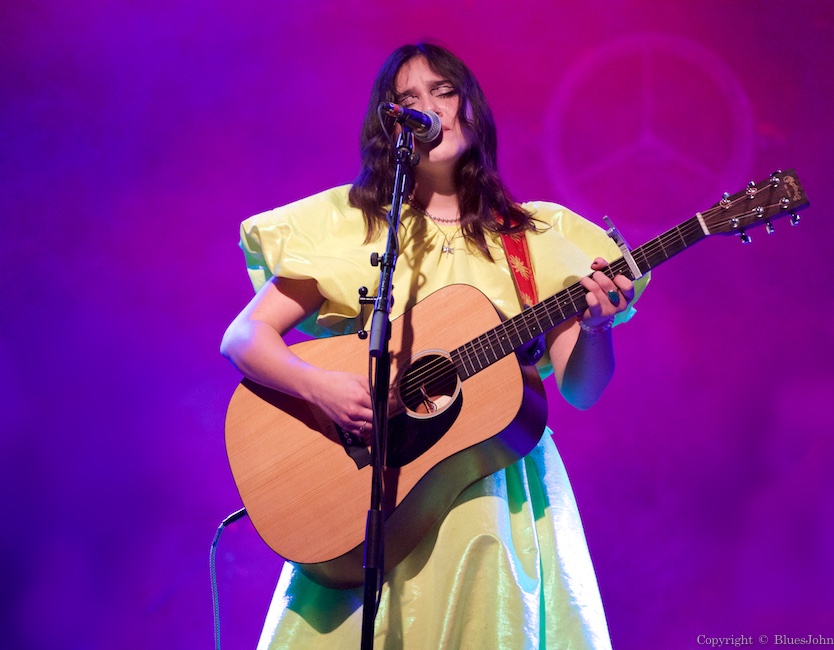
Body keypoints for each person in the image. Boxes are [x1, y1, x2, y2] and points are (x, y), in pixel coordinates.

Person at [221, 42, 646, 649]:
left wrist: (600, 326)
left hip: (494, 499)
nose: (432, 110)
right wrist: (326, 389)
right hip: (366, 489)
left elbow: (580, 389)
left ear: (471, 106)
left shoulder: (537, 236)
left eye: (444, 92)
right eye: (408, 101)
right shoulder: (352, 223)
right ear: (388, 126)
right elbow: (244, 337)